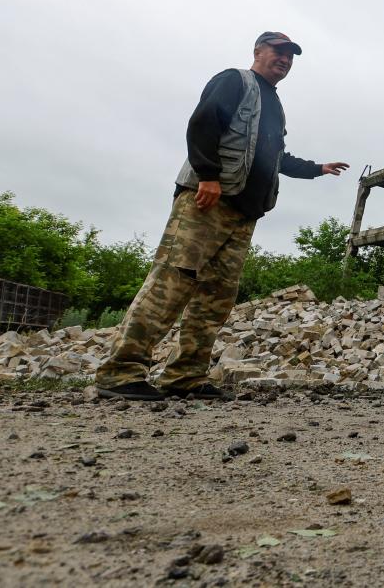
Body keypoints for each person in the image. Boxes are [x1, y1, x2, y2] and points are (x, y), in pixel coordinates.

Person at [94, 32, 348, 401]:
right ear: (258, 51)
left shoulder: (274, 104)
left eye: (291, 55)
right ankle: (120, 372)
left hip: (244, 214)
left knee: (216, 296)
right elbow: (203, 124)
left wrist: (317, 168)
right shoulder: (235, 81)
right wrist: (209, 176)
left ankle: (185, 377)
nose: (285, 59)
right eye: (279, 51)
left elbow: (274, 158)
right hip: (207, 200)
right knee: (173, 281)